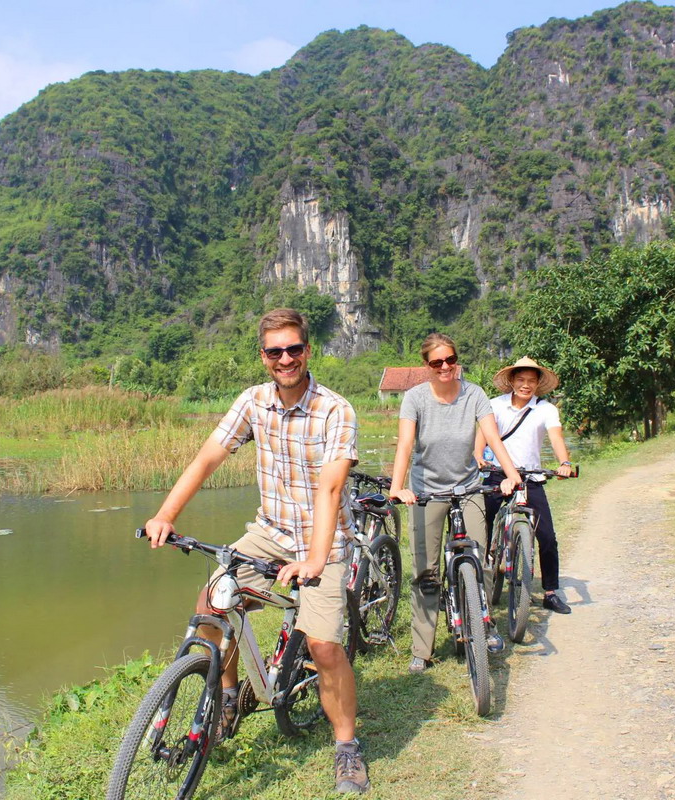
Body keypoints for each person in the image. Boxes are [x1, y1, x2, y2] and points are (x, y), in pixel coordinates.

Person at [142, 308, 369, 794]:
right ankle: (227, 696)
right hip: (268, 532)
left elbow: (331, 491)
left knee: (325, 646)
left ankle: (347, 746)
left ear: (308, 351)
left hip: (323, 541)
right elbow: (207, 457)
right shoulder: (253, 402)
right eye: (274, 351)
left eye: (294, 349)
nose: (285, 359)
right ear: (263, 356)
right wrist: (165, 515)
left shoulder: (336, 409)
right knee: (212, 604)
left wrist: (313, 559)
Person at [387, 333, 524, 674]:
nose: (445, 367)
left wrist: (511, 474)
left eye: (450, 360)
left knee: (482, 560)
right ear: (427, 366)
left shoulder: (473, 393)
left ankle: (484, 624)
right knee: (425, 572)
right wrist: (397, 487)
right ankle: (422, 648)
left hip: (468, 488)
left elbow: (492, 437)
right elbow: (405, 445)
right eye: (437, 362)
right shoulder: (415, 398)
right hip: (427, 491)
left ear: (456, 360)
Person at [474, 357, 574, 614]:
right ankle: (477, 582)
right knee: (481, 526)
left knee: (548, 537)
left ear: (538, 384)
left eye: (531, 380)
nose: (526, 385)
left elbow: (556, 437)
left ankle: (550, 592)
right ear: (511, 381)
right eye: (521, 379)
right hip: (497, 475)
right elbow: (483, 437)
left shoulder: (546, 410)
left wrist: (564, 462)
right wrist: (478, 458)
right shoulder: (494, 406)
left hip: (531, 477)